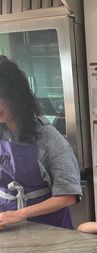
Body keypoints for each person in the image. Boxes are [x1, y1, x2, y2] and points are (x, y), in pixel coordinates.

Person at [0, 56, 81, 230]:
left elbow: (69, 195)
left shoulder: (48, 137)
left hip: (48, 226)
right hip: (7, 225)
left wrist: (19, 214)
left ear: (15, 95)